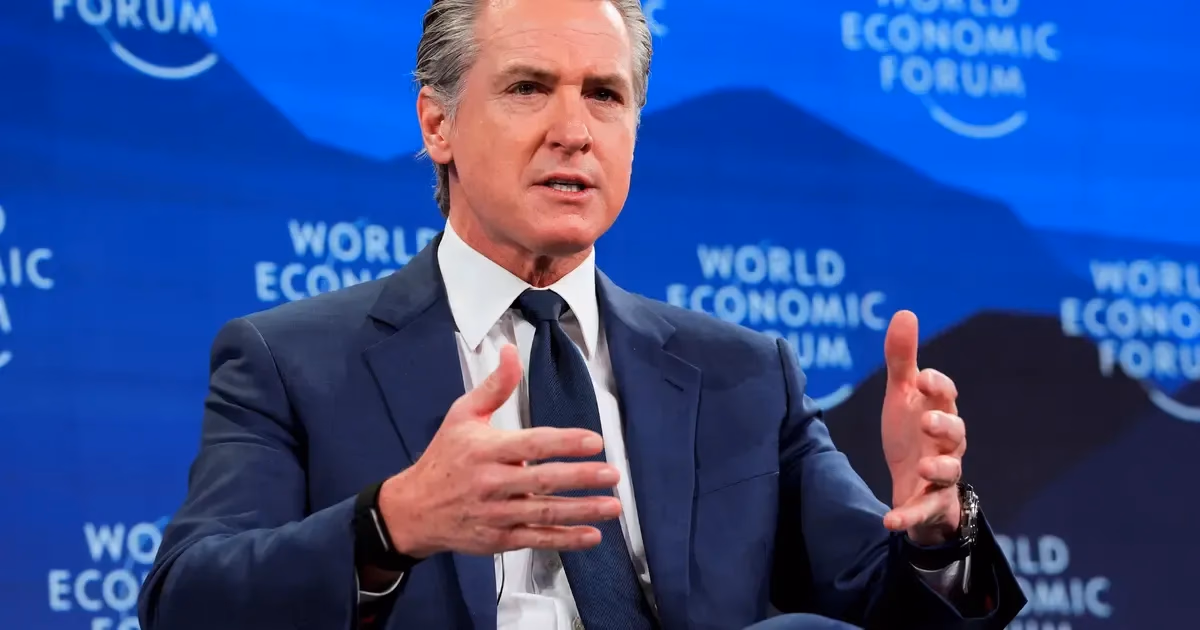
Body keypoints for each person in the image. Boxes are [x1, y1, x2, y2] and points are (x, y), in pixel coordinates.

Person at [138, 0, 1026, 628]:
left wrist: (936, 531)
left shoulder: (743, 375)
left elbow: (883, 606)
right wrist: (393, 522)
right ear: (437, 125)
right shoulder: (292, 362)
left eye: (605, 94)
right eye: (529, 87)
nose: (574, 129)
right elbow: (185, 602)